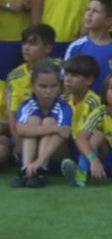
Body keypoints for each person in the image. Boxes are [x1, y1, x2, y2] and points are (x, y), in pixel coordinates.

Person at [11, 59, 72, 188]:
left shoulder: (64, 107)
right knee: (33, 120)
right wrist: (54, 129)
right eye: (43, 86)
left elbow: (65, 133)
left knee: (48, 121)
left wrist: (39, 161)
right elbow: (21, 129)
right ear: (33, 87)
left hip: (56, 157)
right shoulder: (27, 105)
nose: (48, 91)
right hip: (29, 154)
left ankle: (40, 167)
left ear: (60, 87)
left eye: (53, 86)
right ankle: (26, 168)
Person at [5, 24, 56, 147]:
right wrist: (18, 142)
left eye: (32, 44)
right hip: (25, 130)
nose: (26, 48)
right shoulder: (14, 76)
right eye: (24, 44)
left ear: (48, 48)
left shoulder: (60, 70)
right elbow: (12, 113)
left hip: (53, 127)